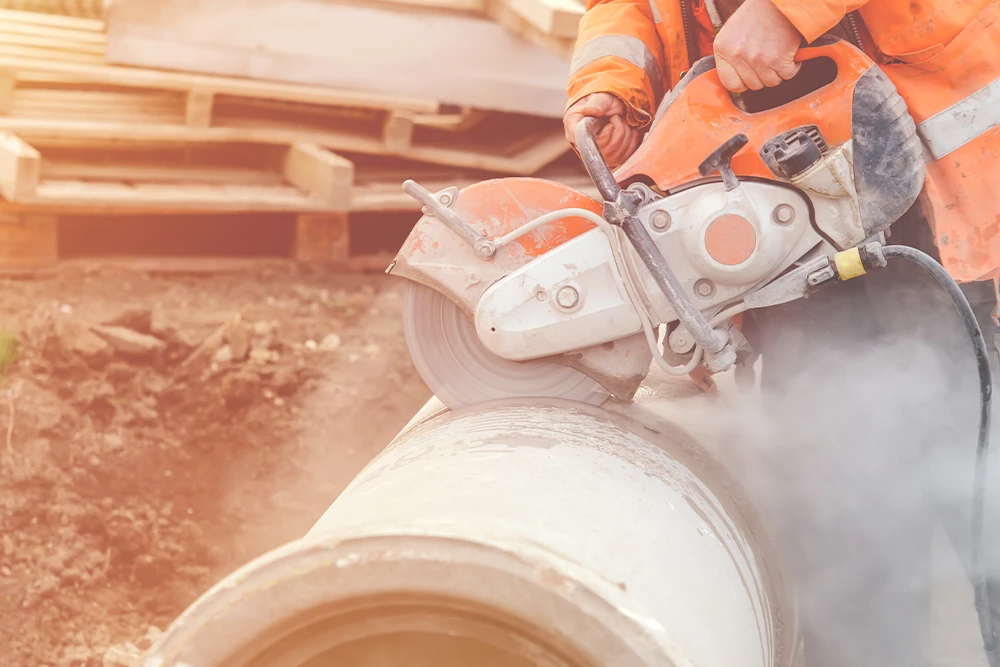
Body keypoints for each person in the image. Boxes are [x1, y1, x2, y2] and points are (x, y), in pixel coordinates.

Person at [560, 1, 1000, 666]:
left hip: (952, 214)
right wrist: (614, 82)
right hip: (787, 231)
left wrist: (786, 11)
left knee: (988, 514)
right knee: (845, 541)